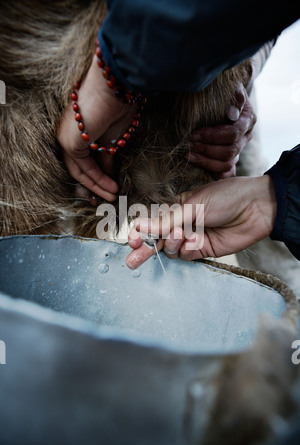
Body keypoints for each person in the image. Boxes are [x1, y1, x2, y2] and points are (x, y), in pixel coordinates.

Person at [57, 0, 300, 268]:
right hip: (101, 53)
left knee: (254, 233)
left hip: (198, 67)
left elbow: (264, 13)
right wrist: (269, 199)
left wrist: (243, 73)